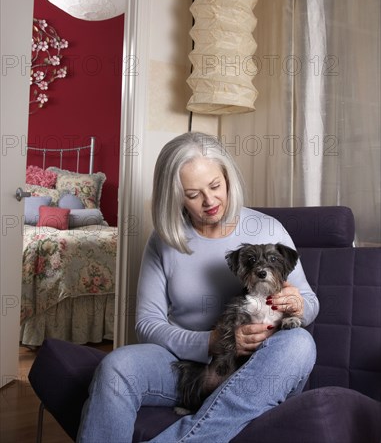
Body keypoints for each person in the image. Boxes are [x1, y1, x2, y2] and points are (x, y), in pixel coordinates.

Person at [77, 132, 318, 443]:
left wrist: (299, 304)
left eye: (215, 186)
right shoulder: (164, 241)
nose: (209, 201)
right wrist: (210, 342)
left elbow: (310, 303)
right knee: (116, 366)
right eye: (192, 194)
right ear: (175, 195)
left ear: (228, 178)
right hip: (184, 368)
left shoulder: (269, 229)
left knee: (299, 344)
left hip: (252, 371)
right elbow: (146, 325)